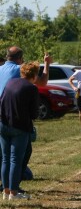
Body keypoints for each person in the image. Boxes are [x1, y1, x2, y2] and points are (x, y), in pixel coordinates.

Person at [0, 47, 51, 194]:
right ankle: (13, 186)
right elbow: (41, 83)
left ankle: (6, 186)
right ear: (20, 58)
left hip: (2, 113)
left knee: (4, 155)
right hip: (16, 117)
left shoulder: (0, 69)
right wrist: (46, 64)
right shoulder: (19, 69)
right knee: (20, 154)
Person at [0, 62, 40, 200]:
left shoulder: (10, 83)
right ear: (34, 75)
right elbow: (34, 113)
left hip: (3, 124)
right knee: (15, 160)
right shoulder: (32, 88)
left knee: (5, 159)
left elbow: (2, 101)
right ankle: (14, 192)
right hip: (20, 127)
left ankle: (5, 191)